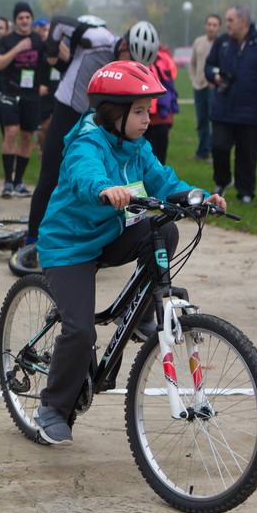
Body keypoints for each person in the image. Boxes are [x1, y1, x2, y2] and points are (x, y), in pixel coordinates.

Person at [32, 61, 225, 445]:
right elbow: (86, 175)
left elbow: (162, 179)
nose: (147, 119)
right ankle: (51, 408)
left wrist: (196, 196)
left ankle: (136, 314)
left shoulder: (137, 146)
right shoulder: (87, 141)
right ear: (112, 113)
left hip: (108, 235)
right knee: (80, 328)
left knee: (164, 230)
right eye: (139, 111)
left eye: (148, 111)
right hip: (69, 247)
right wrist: (106, 189)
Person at [22, 16, 159, 253]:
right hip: (69, 108)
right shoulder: (100, 39)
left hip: (97, 116)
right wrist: (52, 52)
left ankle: (97, 237)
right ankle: (32, 241)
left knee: (105, 174)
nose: (131, 66)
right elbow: (59, 22)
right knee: (50, 175)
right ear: (124, 45)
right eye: (131, 59)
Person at [204, 3, 257, 203]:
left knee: (247, 154)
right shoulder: (222, 42)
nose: (227, 25)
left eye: (230, 20)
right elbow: (209, 65)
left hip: (251, 111)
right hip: (223, 108)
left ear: (243, 22)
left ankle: (246, 191)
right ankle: (222, 180)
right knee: (219, 147)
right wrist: (213, 75)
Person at [0, 2, 44, 197]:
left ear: (31, 19)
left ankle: (19, 182)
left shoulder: (38, 40)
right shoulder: (7, 40)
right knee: (11, 132)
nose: (24, 21)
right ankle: (8, 182)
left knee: (27, 136)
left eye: (27, 17)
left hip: (31, 94)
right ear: (15, 21)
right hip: (10, 92)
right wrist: (18, 49)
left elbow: (48, 62)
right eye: (20, 18)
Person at [188, 13, 221, 160]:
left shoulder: (221, 44)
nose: (211, 27)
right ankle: (202, 151)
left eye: (214, 25)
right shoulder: (198, 42)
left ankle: (214, 152)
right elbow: (193, 63)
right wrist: (193, 79)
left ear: (219, 27)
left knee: (214, 120)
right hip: (199, 86)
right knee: (201, 120)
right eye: (209, 24)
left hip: (213, 87)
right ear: (205, 26)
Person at [145, 44, 179, 164]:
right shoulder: (164, 59)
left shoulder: (163, 60)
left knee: (158, 158)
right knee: (144, 158)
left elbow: (169, 87)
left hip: (160, 116)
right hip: (150, 115)